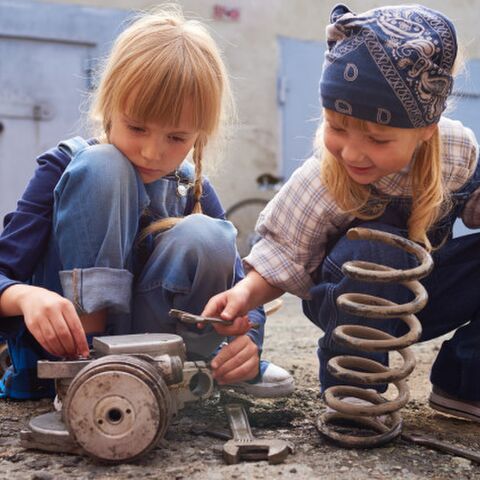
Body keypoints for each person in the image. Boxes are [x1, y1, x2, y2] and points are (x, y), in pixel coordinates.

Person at [203, 4, 480, 423]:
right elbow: (281, 254)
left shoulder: (455, 151)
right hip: (348, 298)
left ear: (427, 131)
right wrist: (242, 296)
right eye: (337, 127)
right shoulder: (323, 179)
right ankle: (356, 389)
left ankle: (466, 379)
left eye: (377, 138)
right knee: (377, 250)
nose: (352, 151)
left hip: (423, 294)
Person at [0, 6, 294, 400]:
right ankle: (84, 375)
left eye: (177, 138)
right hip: (69, 354)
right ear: (108, 107)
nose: (153, 152)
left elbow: (244, 293)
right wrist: (25, 296)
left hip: (160, 360)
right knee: (105, 166)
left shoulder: (193, 189)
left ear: (199, 136)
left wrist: (247, 338)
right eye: (137, 127)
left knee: (208, 235)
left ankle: (183, 376)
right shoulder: (62, 168)